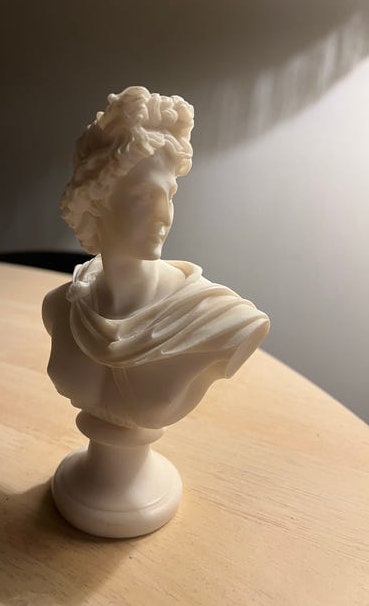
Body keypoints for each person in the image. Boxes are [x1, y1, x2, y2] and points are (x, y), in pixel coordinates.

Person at [43, 87, 269, 429]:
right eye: (145, 196)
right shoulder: (62, 307)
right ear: (97, 201)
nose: (164, 216)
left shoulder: (221, 322)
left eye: (170, 195)